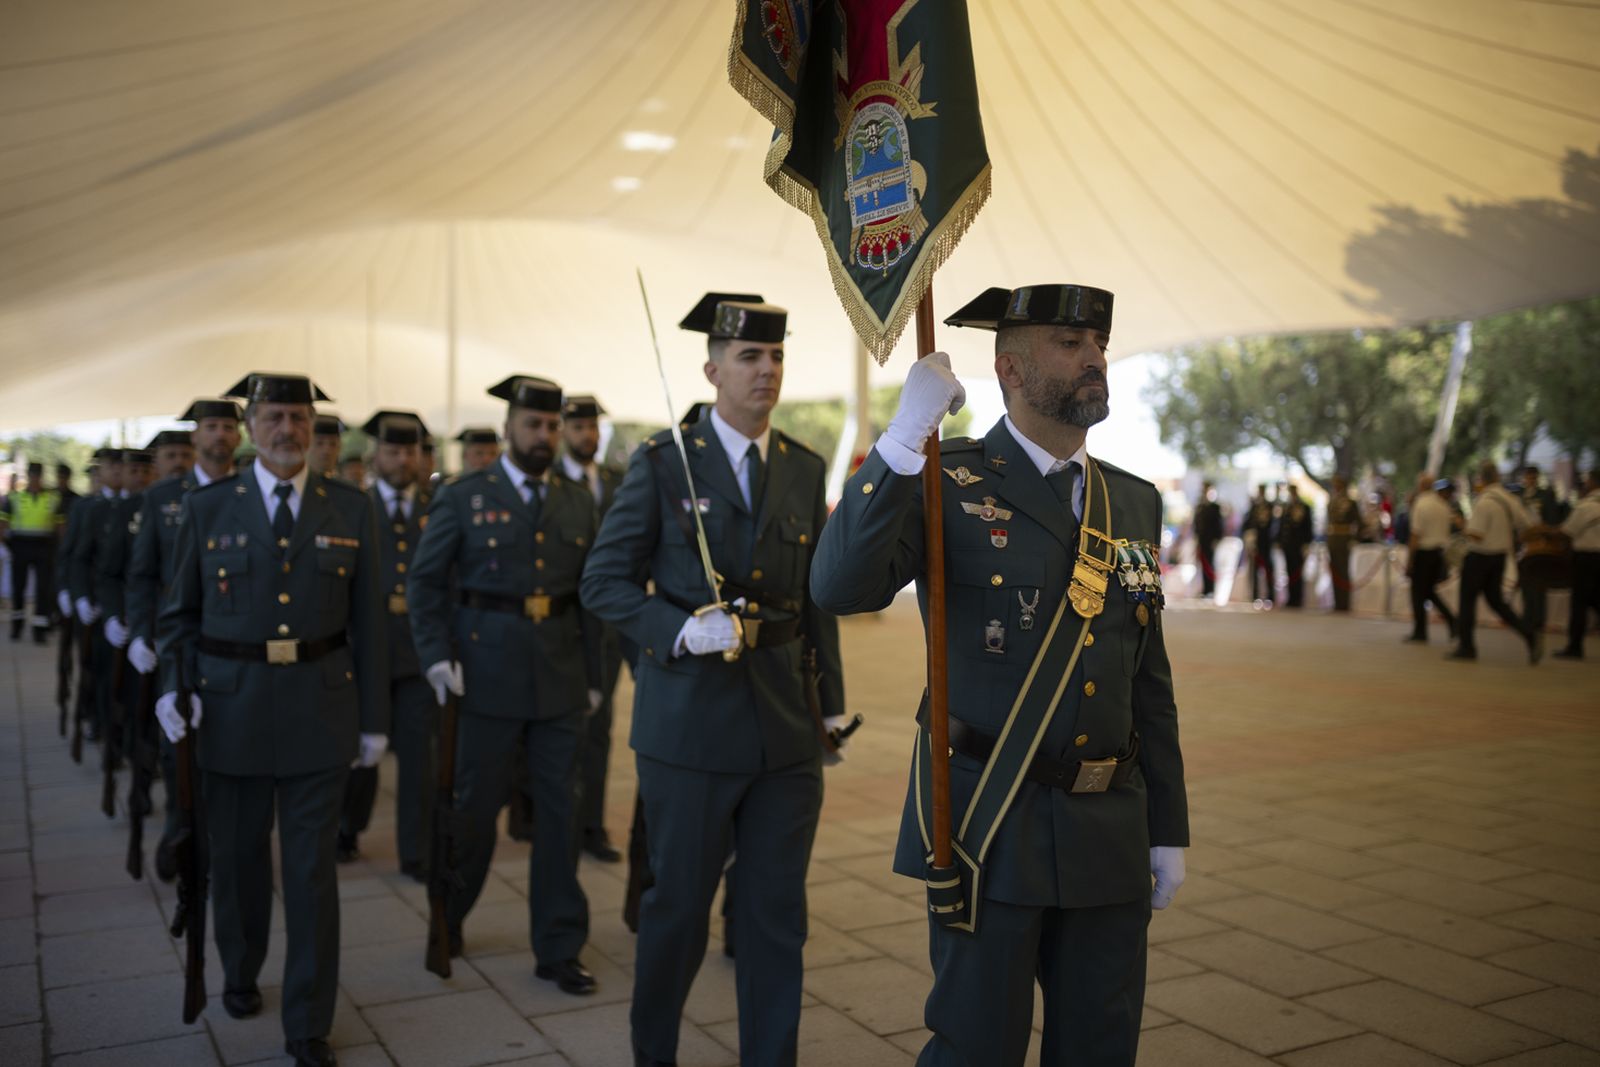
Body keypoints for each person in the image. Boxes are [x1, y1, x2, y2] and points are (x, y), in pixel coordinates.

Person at [812, 283, 1187, 1067]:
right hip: (989, 821)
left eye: (1098, 346)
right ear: (1009, 369)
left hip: (1109, 827)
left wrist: (1167, 827)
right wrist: (905, 435)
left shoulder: (1133, 501)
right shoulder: (946, 479)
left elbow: (1147, 676)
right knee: (976, 1047)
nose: (1093, 358)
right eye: (1069, 343)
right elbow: (838, 587)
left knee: (1101, 1046)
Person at [581, 292, 848, 1067]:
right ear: (712, 369)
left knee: (774, 916)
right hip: (691, 727)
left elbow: (815, 597)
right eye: (748, 358)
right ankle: (654, 1052)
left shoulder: (803, 466)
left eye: (775, 357)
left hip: (785, 730)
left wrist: (828, 705)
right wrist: (676, 628)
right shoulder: (664, 462)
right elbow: (603, 582)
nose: (766, 372)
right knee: (678, 911)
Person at [155, 373, 389, 1067]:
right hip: (231, 709)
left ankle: (309, 1019)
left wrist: (374, 719)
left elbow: (371, 621)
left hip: (321, 707)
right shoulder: (207, 507)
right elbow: (178, 617)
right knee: (238, 858)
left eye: (300, 417)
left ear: (317, 429)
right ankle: (240, 965)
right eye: (274, 416)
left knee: (313, 869)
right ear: (251, 425)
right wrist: (173, 685)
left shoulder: (351, 507)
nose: (288, 429)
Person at [408, 375, 602, 995]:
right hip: (483, 678)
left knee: (561, 815)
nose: (543, 436)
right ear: (509, 428)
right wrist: (437, 657)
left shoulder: (576, 500)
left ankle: (559, 945)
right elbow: (425, 583)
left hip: (559, 679)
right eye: (533, 425)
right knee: (473, 813)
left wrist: (596, 676)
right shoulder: (466, 496)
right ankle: (450, 917)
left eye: (551, 426)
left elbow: (592, 595)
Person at [127, 401, 241, 881]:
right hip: (179, 642)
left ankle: (223, 849)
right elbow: (142, 574)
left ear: (240, 435)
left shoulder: (253, 491)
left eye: (228, 428)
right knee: (180, 756)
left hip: (237, 643)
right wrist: (137, 632)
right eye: (210, 427)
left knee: (231, 755)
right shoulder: (163, 497)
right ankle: (179, 830)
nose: (219, 436)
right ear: (195, 436)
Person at [337, 411, 434, 878]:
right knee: (362, 751)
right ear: (376, 457)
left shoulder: (438, 506)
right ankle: (347, 828)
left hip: (418, 653)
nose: (403, 459)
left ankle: (414, 849)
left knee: (419, 760)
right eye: (393, 451)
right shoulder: (355, 507)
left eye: (410, 451)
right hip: (367, 652)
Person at [557, 394, 628, 862]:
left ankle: (591, 825)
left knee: (600, 729)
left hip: (612, 626)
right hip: (564, 626)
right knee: (563, 730)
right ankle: (556, 822)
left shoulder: (616, 481)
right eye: (579, 426)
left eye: (593, 427)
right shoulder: (548, 481)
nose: (588, 434)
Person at [1451, 461, 1539, 664]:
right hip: (1499, 557)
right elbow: (1527, 526)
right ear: (1497, 477)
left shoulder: (1485, 502)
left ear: (1482, 479)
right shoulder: (1510, 499)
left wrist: (1461, 525)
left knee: (1467, 601)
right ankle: (1528, 634)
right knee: (1496, 602)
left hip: (1479, 557)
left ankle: (1467, 647)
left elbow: (1476, 535)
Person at [2, 461, 61, 642]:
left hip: (44, 547)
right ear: (27, 476)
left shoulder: (53, 498)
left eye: (38, 475)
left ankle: (40, 629)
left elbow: (60, 526)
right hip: (20, 546)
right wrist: (9, 544)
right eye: (32, 475)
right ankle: (17, 626)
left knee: (43, 589)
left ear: (42, 476)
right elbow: (3, 524)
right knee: (18, 587)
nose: (35, 478)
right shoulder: (14, 498)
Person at [1403, 472, 1457, 644]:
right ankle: (1452, 621)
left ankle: (1421, 631)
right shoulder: (1443, 504)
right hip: (1439, 553)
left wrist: (1410, 559)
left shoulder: (1421, 504)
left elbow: (1415, 535)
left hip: (1424, 553)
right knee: (1428, 591)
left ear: (1420, 486)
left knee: (1418, 594)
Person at [1555, 470, 1600, 659]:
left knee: (1579, 603)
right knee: (1596, 599)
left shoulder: (1586, 506)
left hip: (1586, 559)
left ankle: (1575, 647)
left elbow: (1567, 531)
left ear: (1592, 481)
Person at [1325, 475, 1361, 612]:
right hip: (1333, 539)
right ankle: (1337, 602)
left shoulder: (1350, 502)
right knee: (1334, 570)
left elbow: (1358, 522)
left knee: (1343, 571)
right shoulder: (1332, 501)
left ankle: (1344, 603)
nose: (1335, 486)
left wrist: (1354, 538)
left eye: (1337, 483)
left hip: (1344, 538)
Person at [1278, 483, 1313, 608]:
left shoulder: (1303, 507)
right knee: (1289, 571)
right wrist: (1280, 541)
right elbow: (1283, 527)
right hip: (1288, 545)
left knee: (1298, 571)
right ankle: (1291, 597)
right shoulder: (1287, 507)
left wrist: (1307, 543)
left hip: (1298, 545)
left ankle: (1298, 598)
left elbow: (1308, 527)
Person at [1242, 484, 1275, 605]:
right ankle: (1254, 595)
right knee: (1254, 570)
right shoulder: (1253, 506)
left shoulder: (1270, 506)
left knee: (1268, 569)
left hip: (1266, 542)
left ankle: (1270, 595)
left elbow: (1272, 525)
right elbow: (1247, 523)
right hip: (1255, 543)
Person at [1191, 481, 1222, 598]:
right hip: (1201, 539)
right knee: (1203, 563)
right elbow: (1196, 523)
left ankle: (1211, 589)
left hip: (1211, 540)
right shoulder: (1200, 506)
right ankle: (1205, 589)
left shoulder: (1215, 507)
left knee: (1210, 564)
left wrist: (1217, 539)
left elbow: (1218, 525)